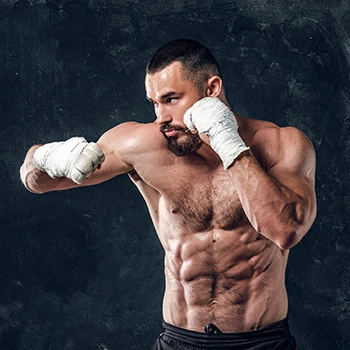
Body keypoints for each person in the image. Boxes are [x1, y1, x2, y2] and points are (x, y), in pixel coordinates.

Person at [20, 39, 317, 350]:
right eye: (154, 103)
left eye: (171, 99)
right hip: (179, 340)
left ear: (212, 89)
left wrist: (226, 140)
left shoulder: (281, 145)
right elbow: (36, 181)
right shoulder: (142, 145)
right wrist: (47, 157)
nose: (160, 117)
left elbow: (286, 229)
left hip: (260, 342)